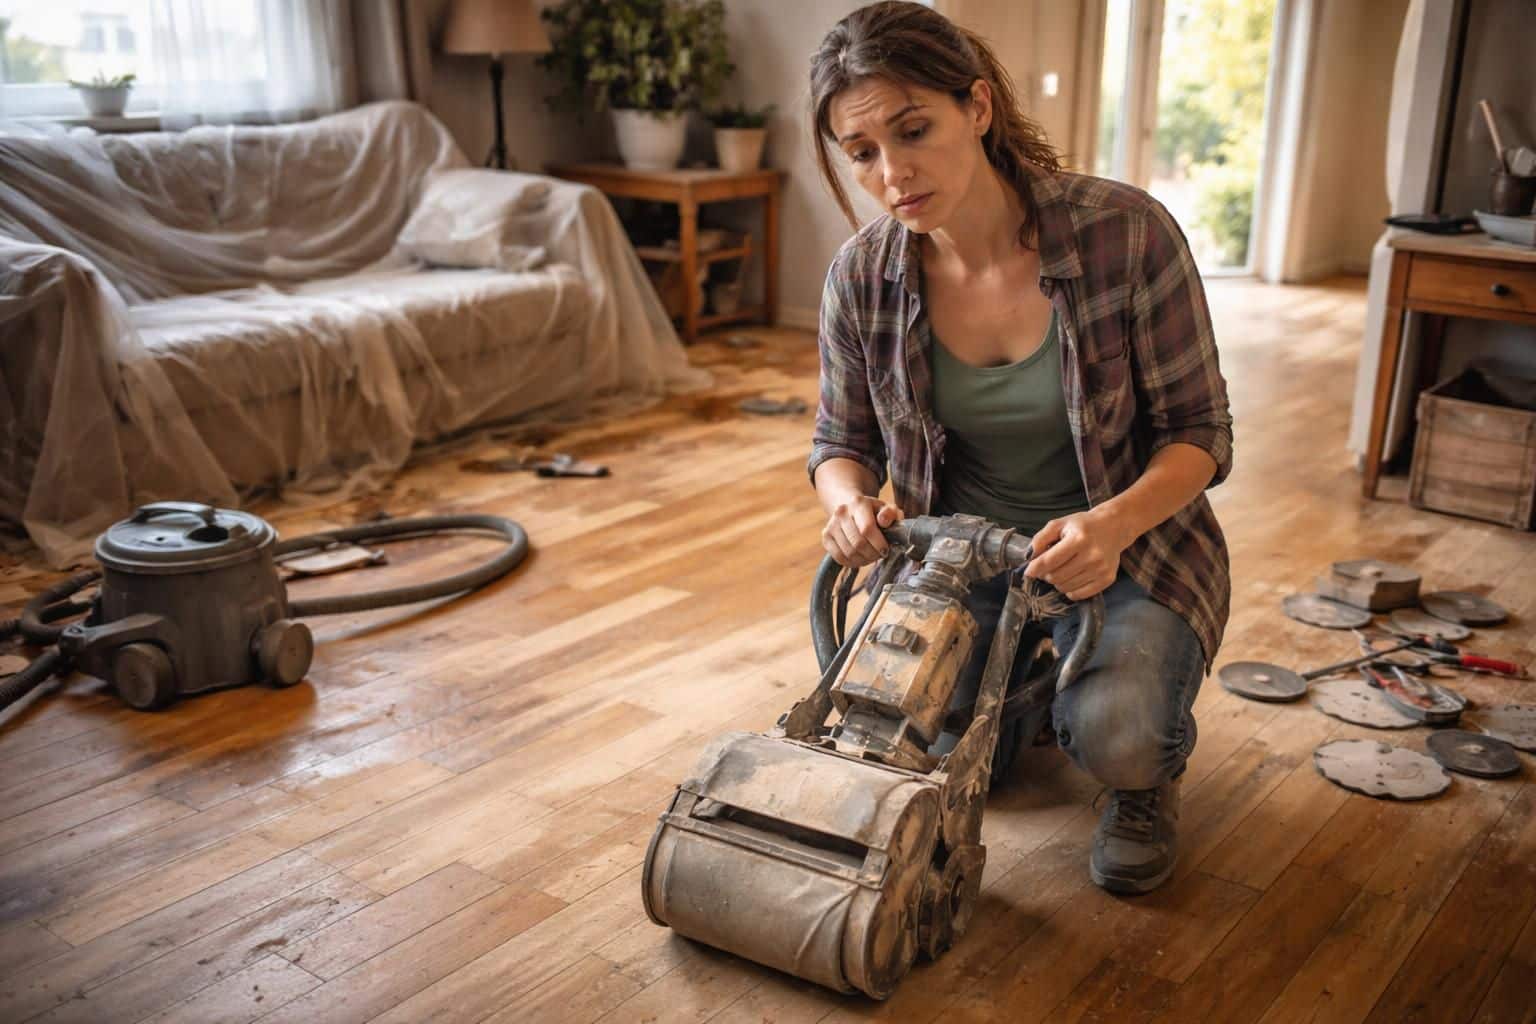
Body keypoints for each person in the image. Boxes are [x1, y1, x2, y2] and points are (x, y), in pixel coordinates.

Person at [806, 1, 1233, 895]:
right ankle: (1030, 686)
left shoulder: (1127, 234)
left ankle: (1141, 780)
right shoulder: (861, 277)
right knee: (940, 751)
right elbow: (840, 442)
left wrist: (1110, 527)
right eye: (863, 153)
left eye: (914, 129)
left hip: (1126, 552)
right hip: (958, 560)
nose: (893, 173)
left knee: (1118, 734)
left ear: (980, 107)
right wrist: (845, 503)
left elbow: (1200, 434)